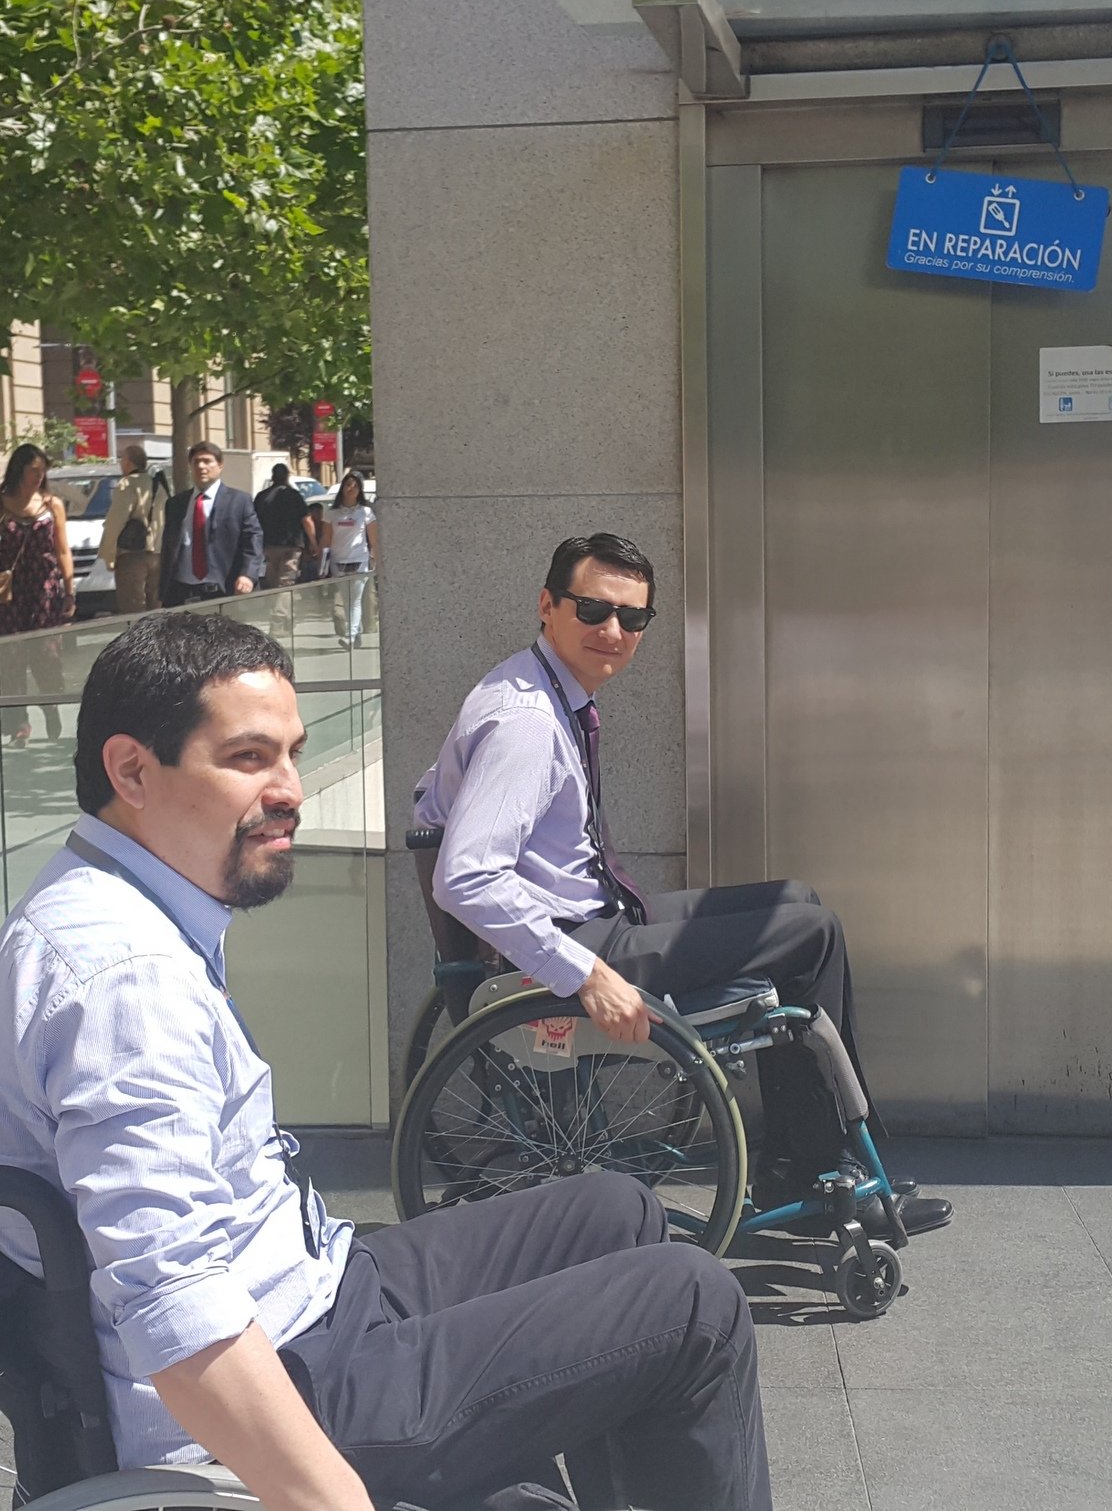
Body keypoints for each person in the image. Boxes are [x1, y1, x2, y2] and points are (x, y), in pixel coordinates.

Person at [0, 611, 771, 1511]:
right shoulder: (124, 979)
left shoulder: (110, 905)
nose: (290, 788)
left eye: (291, 752)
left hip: (316, 1289)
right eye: (249, 758)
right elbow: (176, 1308)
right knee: (692, 1304)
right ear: (132, 769)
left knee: (619, 1210)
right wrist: (334, 1499)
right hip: (299, 1375)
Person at [414, 532, 953, 1236]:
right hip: (574, 947)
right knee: (809, 937)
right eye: (593, 609)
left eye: (632, 618)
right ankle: (827, 1168)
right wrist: (585, 975)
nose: (613, 632)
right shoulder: (526, 723)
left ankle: (809, 1161)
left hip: (592, 920)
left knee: (796, 902)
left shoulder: (538, 686)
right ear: (547, 605)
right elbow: (465, 876)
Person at [0, 443, 74, 746]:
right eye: (34, 470)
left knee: (46, 655)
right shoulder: (2, 503)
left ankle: (50, 706)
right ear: (19, 470)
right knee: (12, 657)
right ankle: (20, 723)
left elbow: (62, 549)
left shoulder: (51, 503)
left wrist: (70, 590)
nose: (39, 476)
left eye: (43, 471)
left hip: (45, 588)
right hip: (10, 593)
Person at [159, 443, 263, 607]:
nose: (201, 466)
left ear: (220, 465)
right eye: (196, 462)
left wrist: (247, 575)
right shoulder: (175, 504)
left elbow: (253, 540)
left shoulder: (239, 501)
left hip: (223, 590)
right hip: (182, 592)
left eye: (207, 461)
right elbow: (169, 547)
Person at [98, 441, 170, 614]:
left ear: (128, 462)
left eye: (122, 459)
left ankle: (137, 641)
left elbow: (116, 521)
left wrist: (109, 556)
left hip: (131, 555)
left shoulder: (127, 484)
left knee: (133, 609)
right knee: (155, 608)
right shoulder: (158, 485)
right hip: (157, 555)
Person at [322, 471, 377, 647]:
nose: (351, 489)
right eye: (348, 485)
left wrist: (376, 558)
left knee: (355, 600)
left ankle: (351, 636)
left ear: (360, 489)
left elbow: (374, 538)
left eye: (355, 486)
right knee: (346, 600)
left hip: (359, 560)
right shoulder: (332, 514)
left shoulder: (366, 512)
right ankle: (356, 633)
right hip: (339, 561)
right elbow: (326, 539)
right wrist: (321, 560)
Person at [253, 464, 316, 590]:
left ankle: (273, 608)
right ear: (287, 476)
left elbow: (253, 522)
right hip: (291, 546)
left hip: (268, 546)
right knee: (286, 583)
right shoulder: (294, 495)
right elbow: (306, 520)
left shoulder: (261, 496)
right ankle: (282, 610)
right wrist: (314, 543)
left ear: (273, 476)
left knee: (271, 583)